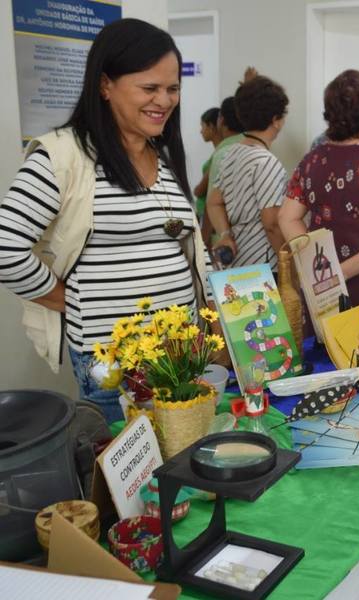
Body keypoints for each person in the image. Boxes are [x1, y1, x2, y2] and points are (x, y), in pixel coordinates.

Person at [0, 19, 215, 422]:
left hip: (179, 356)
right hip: (116, 365)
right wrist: (69, 300)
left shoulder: (163, 157)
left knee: (181, 465)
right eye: (149, 88)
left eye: (172, 89)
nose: (164, 100)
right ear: (105, 86)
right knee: (130, 471)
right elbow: (5, 248)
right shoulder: (64, 156)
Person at [278, 69, 359, 306]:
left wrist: (317, 266)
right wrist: (342, 273)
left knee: (321, 343)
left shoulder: (311, 160)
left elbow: (287, 217)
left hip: (322, 288)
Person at [206, 75, 289, 269]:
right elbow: (272, 224)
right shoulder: (266, 161)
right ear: (276, 120)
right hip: (265, 263)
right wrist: (289, 267)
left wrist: (225, 234)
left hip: (237, 261)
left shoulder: (231, 153)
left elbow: (213, 202)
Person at [193, 106, 221, 248]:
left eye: (202, 126)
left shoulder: (219, 155)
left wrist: (197, 189)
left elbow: (201, 190)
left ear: (212, 126)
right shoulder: (216, 153)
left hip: (209, 218)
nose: (201, 131)